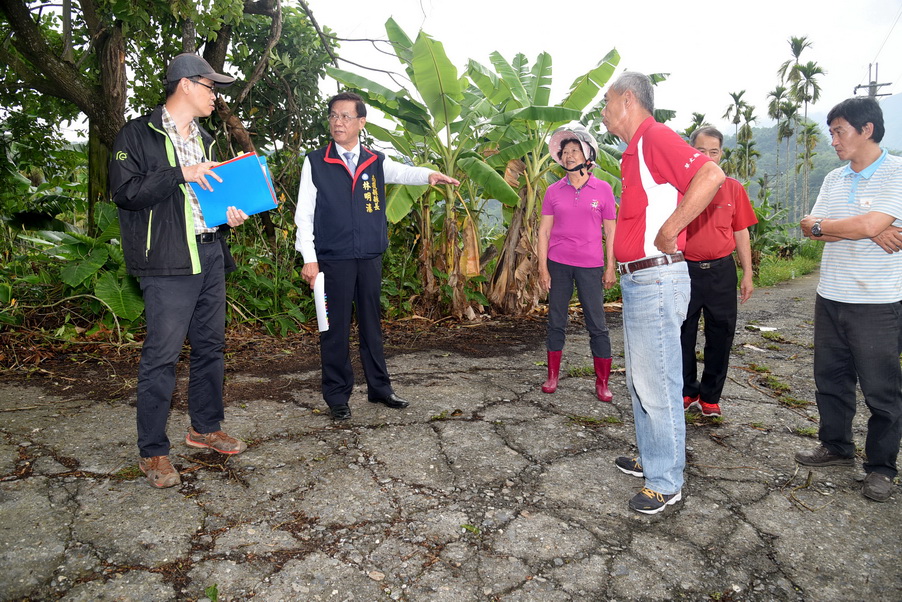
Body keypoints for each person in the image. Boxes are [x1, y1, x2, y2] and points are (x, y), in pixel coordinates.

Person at [110, 53, 249, 489]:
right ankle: (153, 452)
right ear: (186, 85)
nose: (216, 97)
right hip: (168, 261)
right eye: (211, 88)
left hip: (209, 254)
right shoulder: (137, 135)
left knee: (211, 348)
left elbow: (204, 200)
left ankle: (204, 428)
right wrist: (180, 173)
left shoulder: (206, 139)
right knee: (162, 357)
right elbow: (126, 192)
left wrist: (229, 215)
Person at [601, 72, 725, 514]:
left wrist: (673, 227)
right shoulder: (632, 151)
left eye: (607, 101)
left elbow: (710, 174)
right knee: (641, 379)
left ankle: (666, 480)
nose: (603, 110)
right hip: (639, 280)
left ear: (629, 100)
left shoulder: (655, 137)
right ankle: (652, 456)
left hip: (656, 278)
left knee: (660, 382)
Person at [295, 92, 460, 421]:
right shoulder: (316, 161)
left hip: (369, 257)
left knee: (372, 325)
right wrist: (309, 258)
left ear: (361, 122)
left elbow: (403, 173)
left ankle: (380, 389)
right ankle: (337, 394)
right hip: (333, 260)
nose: (338, 122)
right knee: (334, 328)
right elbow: (304, 215)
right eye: (333, 116)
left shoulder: (374, 160)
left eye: (345, 116)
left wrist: (429, 175)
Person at [796, 97, 902, 503]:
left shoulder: (895, 173)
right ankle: (837, 446)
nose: (834, 140)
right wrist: (865, 229)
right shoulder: (835, 179)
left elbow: (866, 223)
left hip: (878, 302)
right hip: (831, 296)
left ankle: (881, 467)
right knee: (831, 379)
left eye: (839, 131)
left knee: (882, 390)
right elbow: (809, 227)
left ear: (867, 130)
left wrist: (862, 227)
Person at [680, 126, 758, 417]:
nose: (708, 156)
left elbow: (741, 232)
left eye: (714, 151)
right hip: (685, 269)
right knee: (682, 333)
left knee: (721, 334)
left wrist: (747, 272)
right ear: (692, 152)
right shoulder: (681, 185)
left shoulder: (733, 188)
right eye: (701, 151)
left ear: (721, 153)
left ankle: (711, 397)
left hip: (722, 271)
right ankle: (687, 390)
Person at [537, 124, 618, 401]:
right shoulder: (553, 191)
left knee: (597, 323)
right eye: (565, 152)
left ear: (587, 155)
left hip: (590, 265)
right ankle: (552, 376)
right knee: (556, 320)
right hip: (558, 263)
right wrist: (542, 267)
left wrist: (610, 266)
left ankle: (603, 382)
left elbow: (610, 231)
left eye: (574, 150)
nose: (569, 156)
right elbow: (544, 232)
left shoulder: (603, 189)